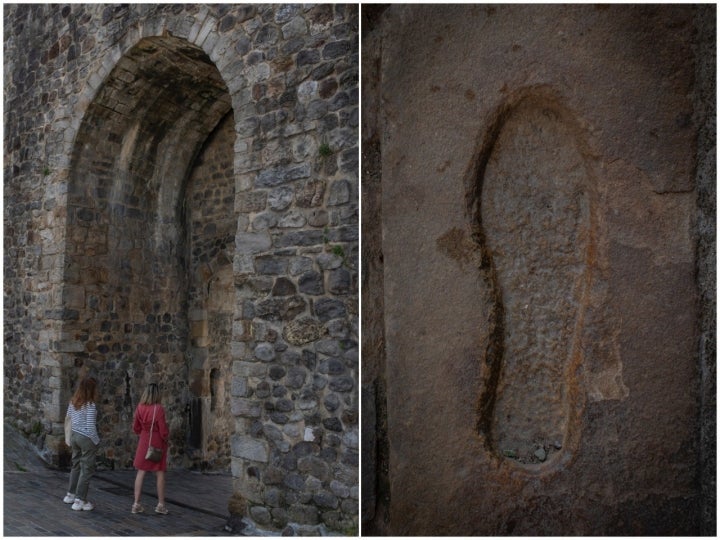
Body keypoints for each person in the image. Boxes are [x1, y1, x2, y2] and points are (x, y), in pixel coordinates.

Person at [62, 376, 101, 511]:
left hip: (74, 436)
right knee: (86, 469)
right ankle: (80, 500)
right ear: (92, 390)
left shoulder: (73, 402)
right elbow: (90, 427)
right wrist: (96, 441)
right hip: (86, 438)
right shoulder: (90, 405)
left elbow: (68, 418)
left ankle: (70, 494)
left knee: (76, 465)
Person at [132, 382, 170, 515]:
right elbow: (163, 430)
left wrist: (143, 433)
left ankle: (136, 503)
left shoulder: (139, 407)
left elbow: (135, 427)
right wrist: (166, 438)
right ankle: (160, 504)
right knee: (159, 473)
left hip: (144, 441)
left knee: (141, 472)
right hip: (156, 442)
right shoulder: (158, 408)